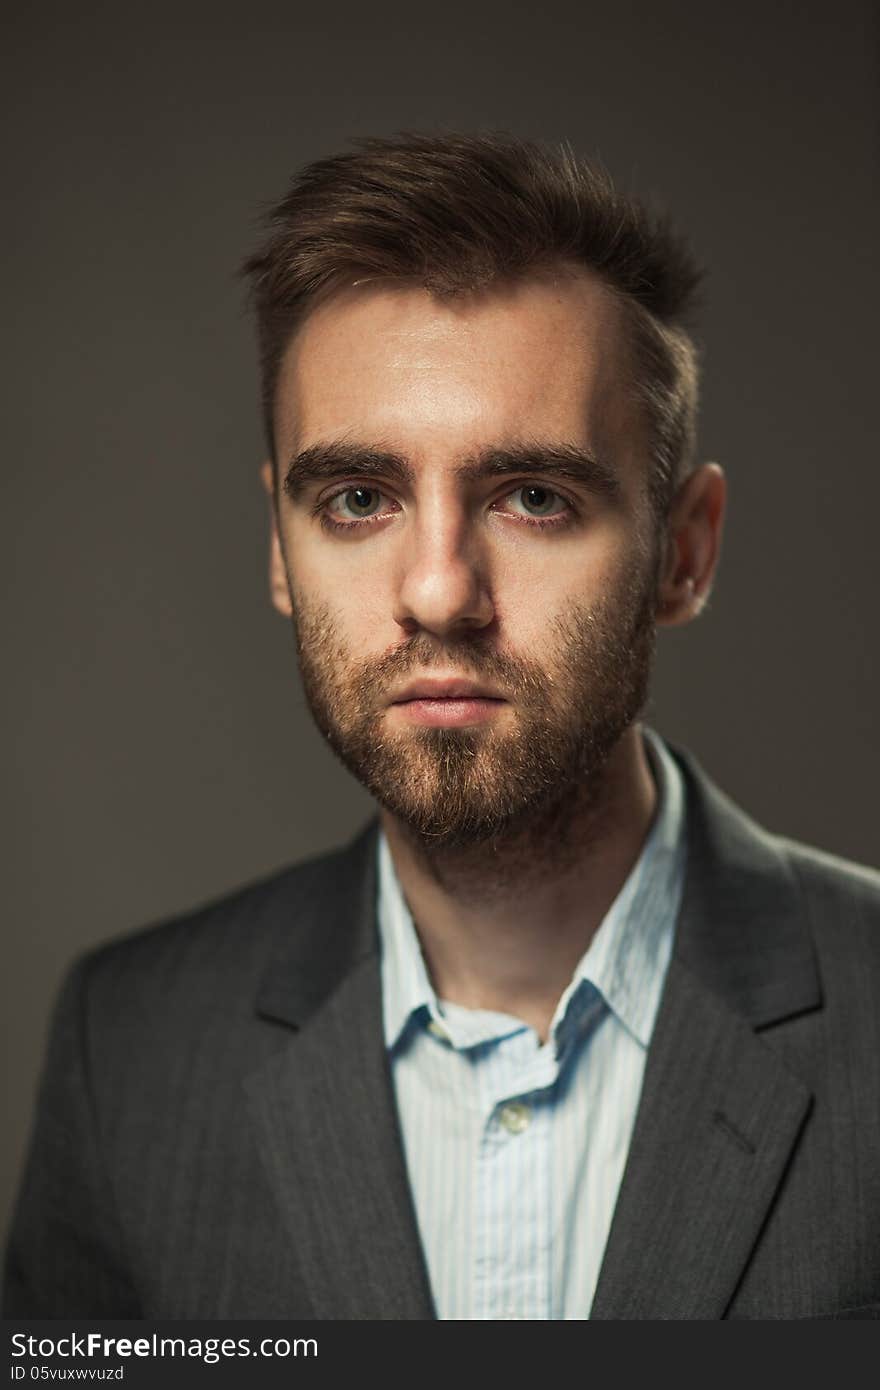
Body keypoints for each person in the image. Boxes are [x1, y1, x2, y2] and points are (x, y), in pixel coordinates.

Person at [4, 132, 879, 1323]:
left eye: (533, 497)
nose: (435, 591)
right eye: (358, 500)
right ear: (279, 544)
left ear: (684, 550)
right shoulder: (133, 1050)